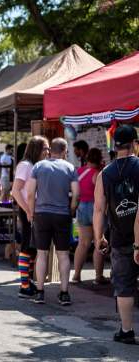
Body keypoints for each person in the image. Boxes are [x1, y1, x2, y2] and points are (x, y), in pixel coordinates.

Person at [95, 125, 139, 344]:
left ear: (116, 145)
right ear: (135, 144)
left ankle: (127, 330)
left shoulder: (105, 174)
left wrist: (98, 237)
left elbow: (98, 210)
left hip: (119, 238)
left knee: (124, 285)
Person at [27, 138, 79, 305]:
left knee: (42, 254)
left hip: (42, 214)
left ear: (50, 151)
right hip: (62, 215)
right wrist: (71, 209)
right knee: (63, 255)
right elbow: (76, 194)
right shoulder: (70, 168)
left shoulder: (38, 166)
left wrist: (31, 212)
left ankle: (40, 292)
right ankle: (64, 293)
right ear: (64, 151)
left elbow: (30, 193)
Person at [11, 136, 49, 298]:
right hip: (28, 211)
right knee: (27, 247)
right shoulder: (25, 165)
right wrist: (27, 210)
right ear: (37, 149)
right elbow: (16, 191)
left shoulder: (34, 165)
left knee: (32, 248)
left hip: (34, 211)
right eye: (45, 148)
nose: (47, 151)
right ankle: (24, 285)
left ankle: (28, 282)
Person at [72, 148, 107, 284]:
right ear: (99, 159)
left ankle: (76, 275)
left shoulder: (79, 171)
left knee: (83, 243)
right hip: (95, 208)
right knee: (99, 241)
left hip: (81, 207)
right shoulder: (98, 174)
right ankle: (98, 277)